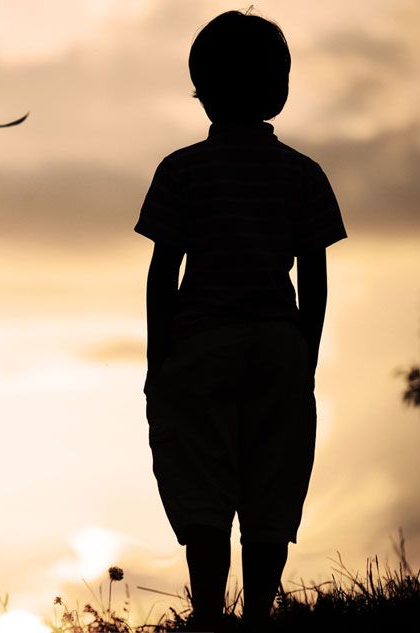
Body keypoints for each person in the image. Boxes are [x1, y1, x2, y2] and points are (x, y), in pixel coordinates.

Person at [134, 9, 347, 632]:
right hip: (279, 344)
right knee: (272, 480)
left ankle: (207, 614)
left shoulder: (181, 170)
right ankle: (256, 616)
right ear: (279, 89)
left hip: (200, 344)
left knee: (202, 479)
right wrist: (303, 352)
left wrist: (158, 357)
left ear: (200, 90)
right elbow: (314, 274)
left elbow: (162, 273)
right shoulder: (304, 174)